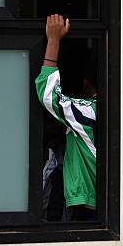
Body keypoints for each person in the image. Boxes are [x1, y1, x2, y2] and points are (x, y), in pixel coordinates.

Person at [35, 14, 97, 221]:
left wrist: (53, 40)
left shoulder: (88, 113)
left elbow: (49, 95)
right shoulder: (120, 110)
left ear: (86, 83)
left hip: (90, 208)